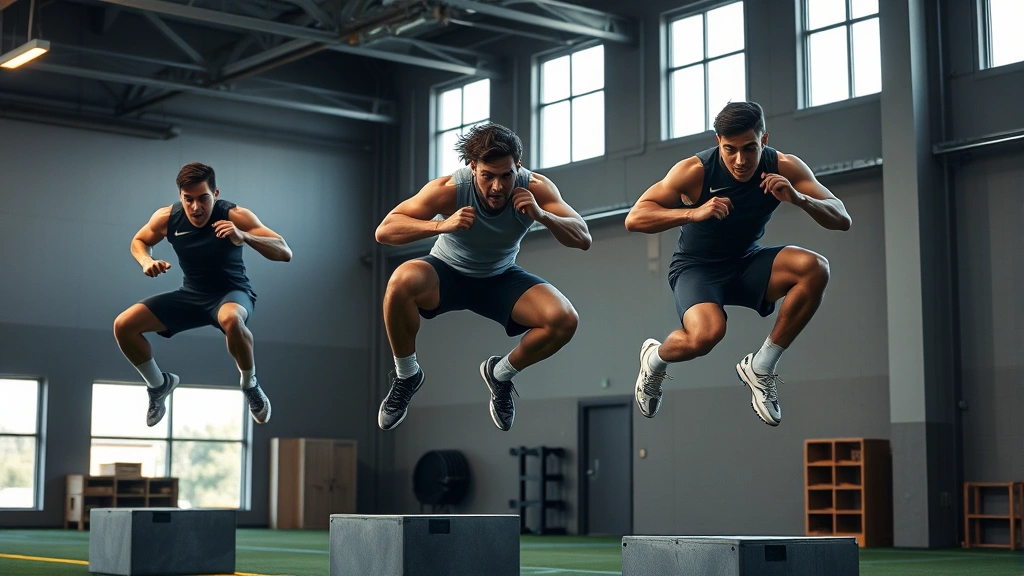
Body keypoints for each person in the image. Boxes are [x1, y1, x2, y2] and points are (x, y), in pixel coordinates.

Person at [625, 102, 852, 426]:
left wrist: (800, 199)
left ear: (764, 139)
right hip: (697, 269)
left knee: (815, 268)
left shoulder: (784, 166)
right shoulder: (695, 171)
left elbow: (842, 218)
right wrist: (694, 212)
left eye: (749, 148)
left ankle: (762, 366)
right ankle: (655, 359)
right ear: (719, 142)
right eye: (730, 150)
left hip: (746, 263)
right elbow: (635, 218)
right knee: (706, 335)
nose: (740, 160)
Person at [374, 122, 591, 431]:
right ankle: (407, 374)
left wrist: (543, 216)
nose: (497, 187)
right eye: (488, 176)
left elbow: (583, 238)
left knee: (564, 319)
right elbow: (385, 231)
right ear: (473, 167)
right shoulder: (450, 189)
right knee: (400, 281)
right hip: (446, 272)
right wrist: (440, 225)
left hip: (499, 277)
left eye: (506, 175)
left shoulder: (536, 187)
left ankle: (500, 374)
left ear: (518, 165)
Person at [113, 162, 292, 427]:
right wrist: (146, 262)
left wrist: (244, 236)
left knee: (232, 319)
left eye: (203, 198)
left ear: (215, 194)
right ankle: (158, 385)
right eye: (189, 200)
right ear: (180, 197)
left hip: (231, 293)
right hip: (191, 295)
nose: (196, 207)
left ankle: (249, 383)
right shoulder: (167, 217)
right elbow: (139, 241)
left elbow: (284, 251)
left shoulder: (235, 215)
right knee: (124, 325)